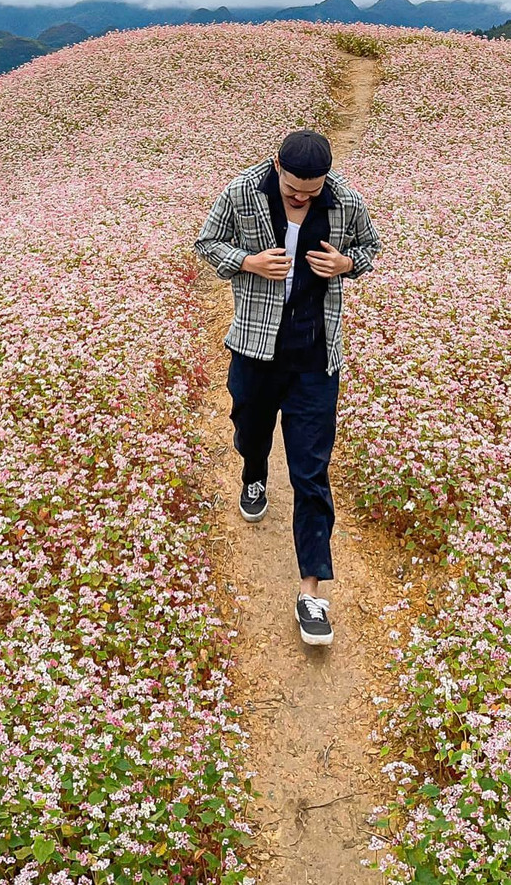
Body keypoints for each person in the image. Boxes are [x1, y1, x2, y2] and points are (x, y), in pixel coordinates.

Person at [195, 128, 381, 646]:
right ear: (277, 166)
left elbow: (371, 247)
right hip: (255, 348)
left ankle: (312, 593)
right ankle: (254, 473)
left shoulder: (344, 201)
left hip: (315, 358)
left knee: (310, 471)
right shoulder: (241, 192)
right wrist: (247, 261)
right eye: (295, 191)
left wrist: (347, 265)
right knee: (249, 430)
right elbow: (206, 243)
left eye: (312, 192)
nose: (302, 199)